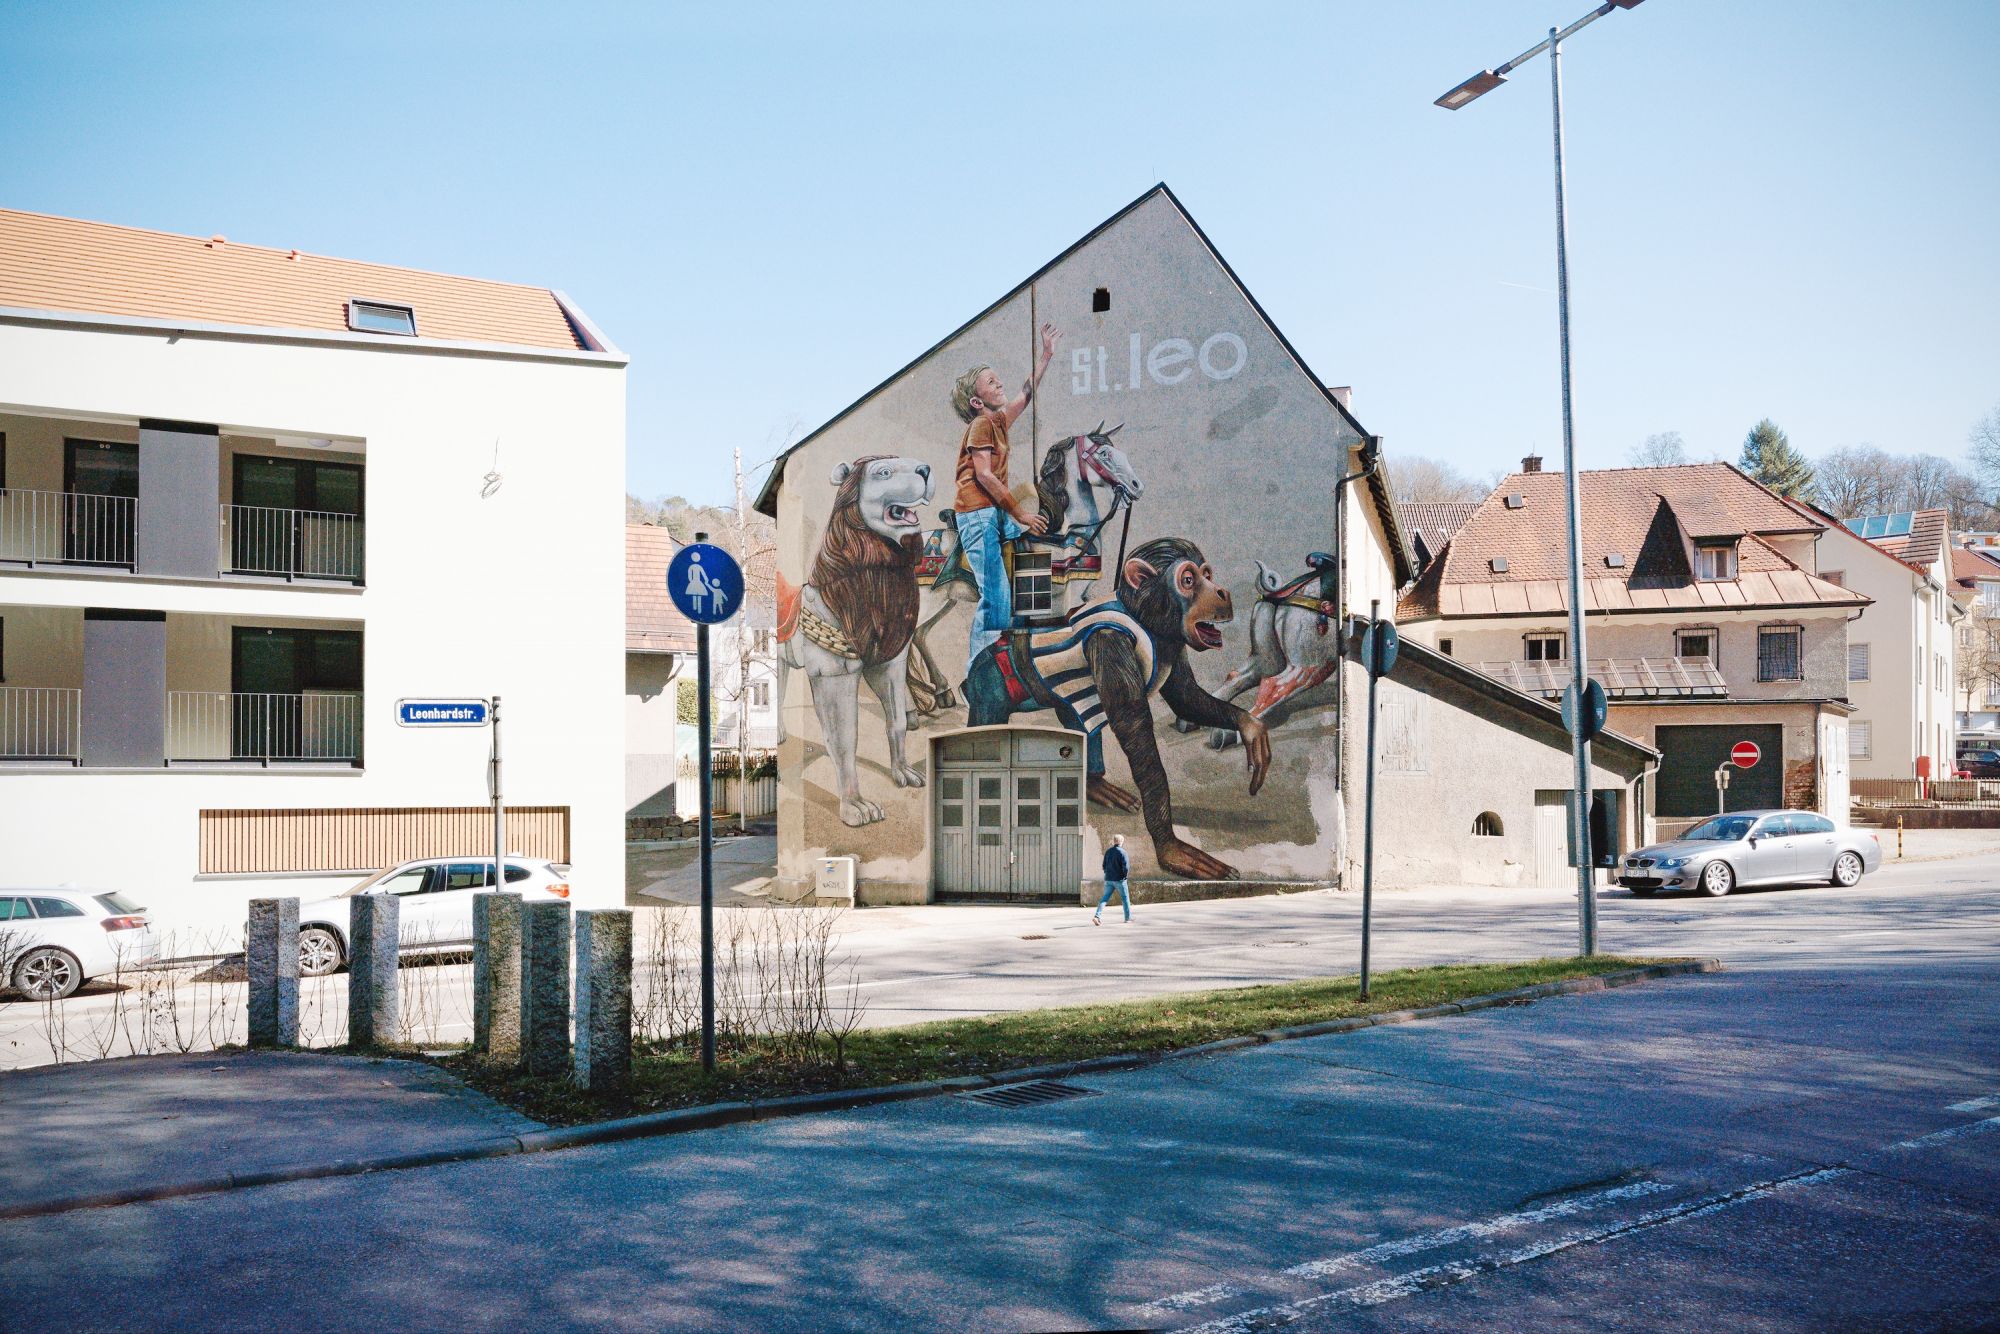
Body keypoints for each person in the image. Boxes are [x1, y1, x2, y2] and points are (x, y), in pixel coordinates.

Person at [951, 322, 1060, 671]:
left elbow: (1026, 395)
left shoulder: (998, 422)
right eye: (992, 382)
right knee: (995, 598)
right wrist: (1019, 513)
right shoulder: (981, 425)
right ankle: (978, 675)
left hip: (994, 513)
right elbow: (983, 474)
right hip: (978, 514)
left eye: (999, 380)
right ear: (976, 400)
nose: (1000, 384)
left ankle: (1029, 619)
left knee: (1038, 537)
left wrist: (1045, 355)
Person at [1094, 833, 1130, 925]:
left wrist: (1107, 873)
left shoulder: (1108, 852)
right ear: (1121, 842)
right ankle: (1127, 918)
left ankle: (1097, 916)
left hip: (1109, 879)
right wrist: (1124, 876)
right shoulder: (1123, 852)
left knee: (1104, 898)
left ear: (1114, 841)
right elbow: (1126, 867)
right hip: (1120, 879)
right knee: (1125, 898)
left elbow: (1104, 865)